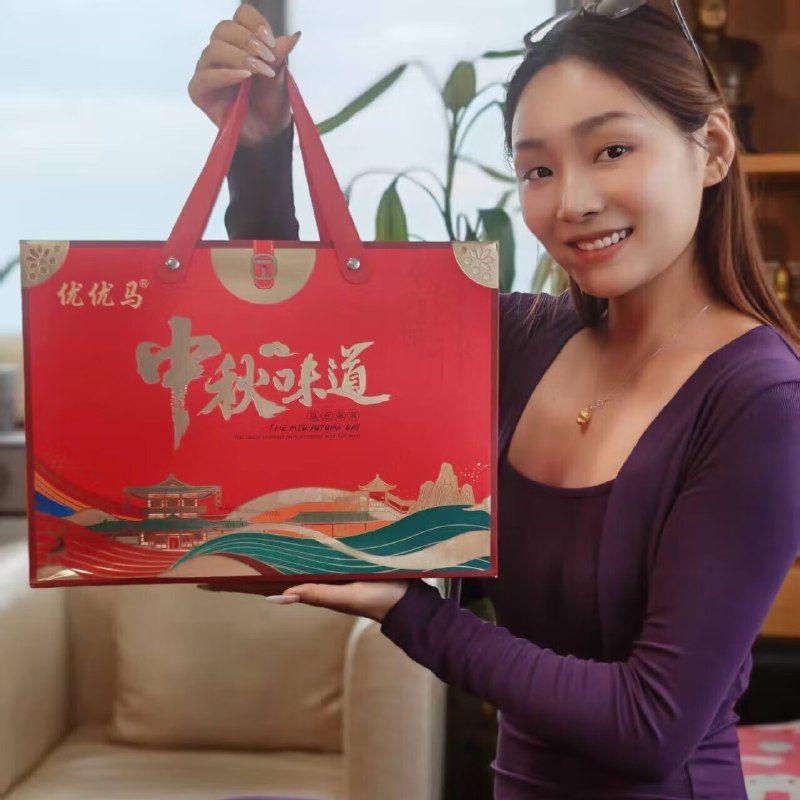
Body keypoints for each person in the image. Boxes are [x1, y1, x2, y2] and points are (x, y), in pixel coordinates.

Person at [189, 3, 800, 798]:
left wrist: (408, 612)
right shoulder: (521, 338)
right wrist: (260, 150)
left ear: (712, 148)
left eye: (612, 150)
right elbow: (306, 335)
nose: (572, 202)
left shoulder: (761, 402)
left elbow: (650, 725)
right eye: (538, 170)